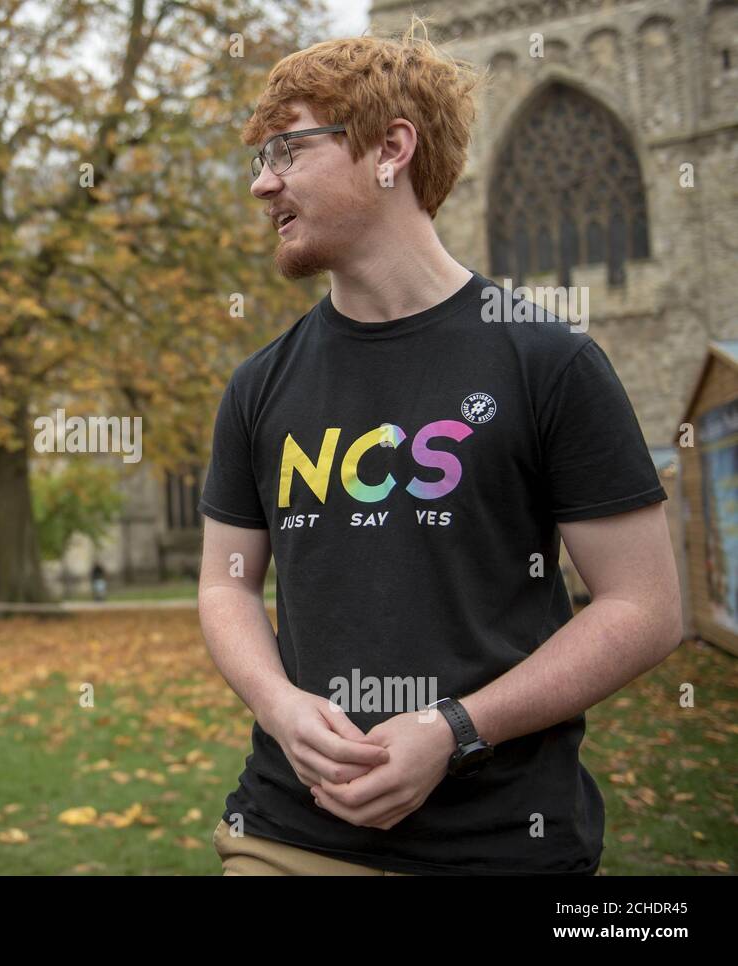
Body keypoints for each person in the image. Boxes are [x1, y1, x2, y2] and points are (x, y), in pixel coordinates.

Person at [197, 26, 683, 875]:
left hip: (503, 845)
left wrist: (454, 730)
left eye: (288, 149)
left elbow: (643, 608)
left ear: (391, 149)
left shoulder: (549, 363)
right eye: (259, 156)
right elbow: (223, 585)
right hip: (287, 834)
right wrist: (278, 705)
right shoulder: (259, 385)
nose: (260, 182)